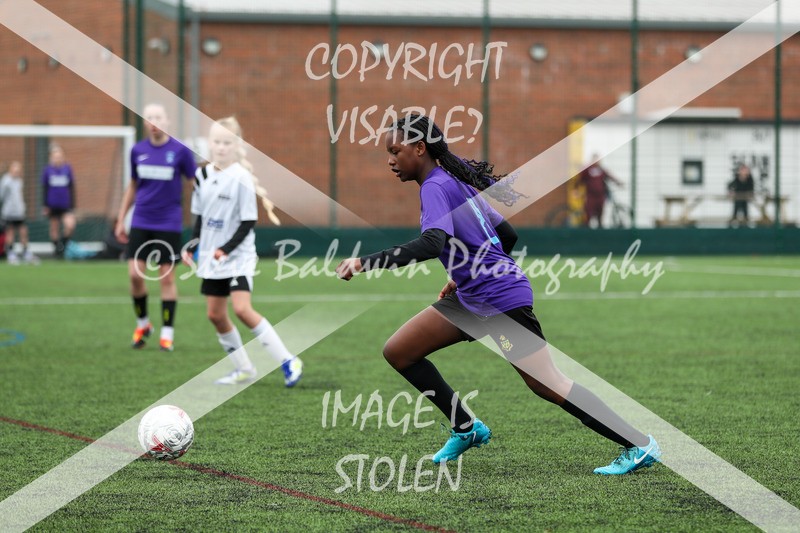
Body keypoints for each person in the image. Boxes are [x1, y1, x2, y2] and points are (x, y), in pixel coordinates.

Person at [336, 115, 660, 475]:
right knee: (400, 352)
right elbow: (507, 235)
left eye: (395, 151)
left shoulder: (435, 187)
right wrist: (462, 277)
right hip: (474, 295)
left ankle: (639, 444)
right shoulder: (454, 183)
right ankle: (466, 428)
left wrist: (365, 262)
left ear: (419, 148)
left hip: (498, 297)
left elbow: (432, 243)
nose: (390, 160)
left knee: (548, 384)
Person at [181, 116, 302, 386]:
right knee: (215, 315)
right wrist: (192, 245)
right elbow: (199, 216)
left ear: (236, 146)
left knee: (242, 309)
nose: (221, 147)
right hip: (212, 257)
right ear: (209, 144)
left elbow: (248, 222)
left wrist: (226, 249)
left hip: (238, 257)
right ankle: (244, 368)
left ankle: (288, 360)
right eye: (216, 142)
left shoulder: (242, 178)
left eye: (226, 142)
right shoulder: (201, 176)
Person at [115, 103, 196, 352]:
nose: (154, 121)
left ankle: (167, 333)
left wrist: (199, 217)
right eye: (149, 117)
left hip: (169, 223)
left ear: (167, 121)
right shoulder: (137, 150)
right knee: (134, 275)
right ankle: (143, 324)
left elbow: (194, 184)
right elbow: (133, 186)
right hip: (141, 220)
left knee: (166, 278)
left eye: (158, 117)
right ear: (144, 122)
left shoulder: (181, 152)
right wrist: (121, 218)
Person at [0, 161, 38, 264]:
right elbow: (2, 196)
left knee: (23, 232)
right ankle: (10, 253)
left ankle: (25, 252)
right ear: (10, 169)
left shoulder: (19, 181)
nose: (17, 171)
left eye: (18, 169)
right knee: (10, 232)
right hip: (9, 213)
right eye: (15, 168)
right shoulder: (5, 181)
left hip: (19, 212)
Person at [41, 145, 77, 256]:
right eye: (55, 156)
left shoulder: (67, 169)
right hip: (52, 204)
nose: (58, 158)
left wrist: (73, 204)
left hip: (65, 205)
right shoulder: (47, 170)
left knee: (70, 225)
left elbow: (72, 187)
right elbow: (44, 188)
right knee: (54, 228)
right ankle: (58, 251)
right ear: (51, 157)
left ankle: (63, 244)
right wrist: (45, 205)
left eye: (59, 156)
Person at [577, 153, 622, 228]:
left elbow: (610, 176)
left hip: (600, 196)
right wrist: (577, 190)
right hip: (590, 195)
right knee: (588, 213)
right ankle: (586, 229)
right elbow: (580, 180)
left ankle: (599, 229)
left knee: (600, 214)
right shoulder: (587, 170)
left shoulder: (601, 170)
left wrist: (618, 183)